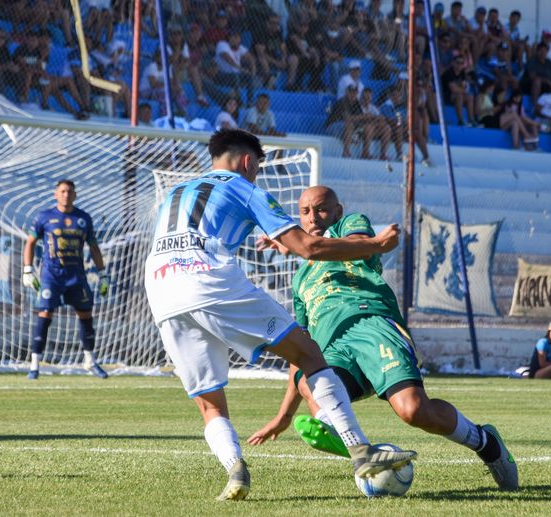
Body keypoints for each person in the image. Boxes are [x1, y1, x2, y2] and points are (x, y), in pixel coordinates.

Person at [143, 129, 417, 501]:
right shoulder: (244, 186)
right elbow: (309, 247)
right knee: (308, 353)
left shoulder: (175, 193)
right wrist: (377, 244)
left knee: (209, 401)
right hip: (205, 278)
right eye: (256, 169)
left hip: (160, 290)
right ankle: (361, 451)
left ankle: (235, 470)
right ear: (247, 161)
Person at [246, 186, 518, 491]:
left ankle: (486, 442)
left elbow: (363, 245)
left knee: (414, 411)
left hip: (371, 322)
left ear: (337, 210)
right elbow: (302, 348)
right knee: (313, 383)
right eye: (305, 212)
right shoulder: (300, 280)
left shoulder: (349, 226)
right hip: (331, 346)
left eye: (321, 209)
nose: (313, 218)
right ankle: (360, 449)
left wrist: (298, 245)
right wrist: (284, 416)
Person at [22, 180, 110, 380]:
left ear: (75, 195)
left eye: (69, 191)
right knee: (45, 315)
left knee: (86, 315)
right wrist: (27, 270)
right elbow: (30, 243)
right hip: (51, 277)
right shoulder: (44, 217)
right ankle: (34, 365)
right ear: (55, 194)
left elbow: (94, 248)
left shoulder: (83, 218)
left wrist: (103, 274)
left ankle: (90, 361)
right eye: (62, 191)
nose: (66, 195)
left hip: (76, 276)